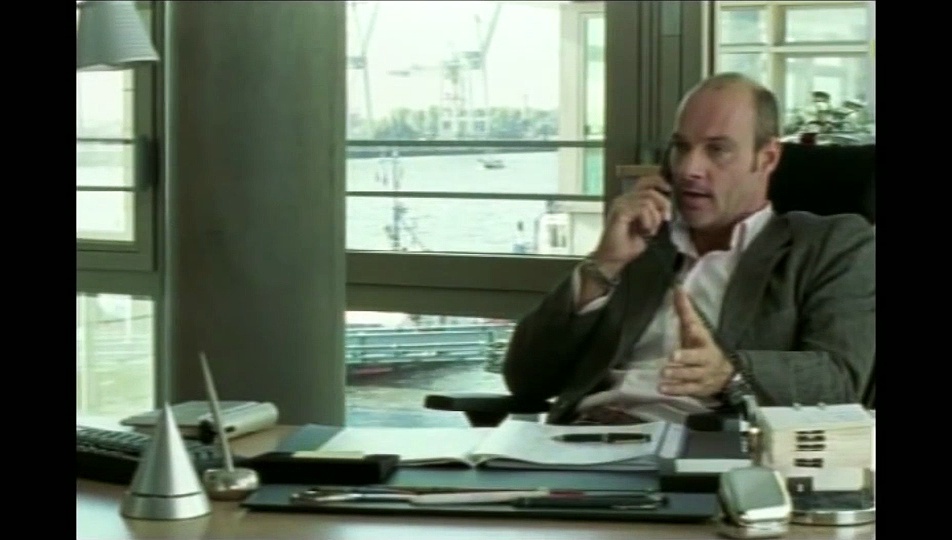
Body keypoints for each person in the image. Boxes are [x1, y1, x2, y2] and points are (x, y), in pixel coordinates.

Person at [502, 72, 875, 425]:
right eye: (681, 147)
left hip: (709, 451)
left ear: (767, 158)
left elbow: (841, 380)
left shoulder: (828, 247)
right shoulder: (641, 242)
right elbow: (526, 379)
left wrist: (728, 373)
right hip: (582, 441)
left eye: (717, 150)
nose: (689, 169)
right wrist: (604, 264)